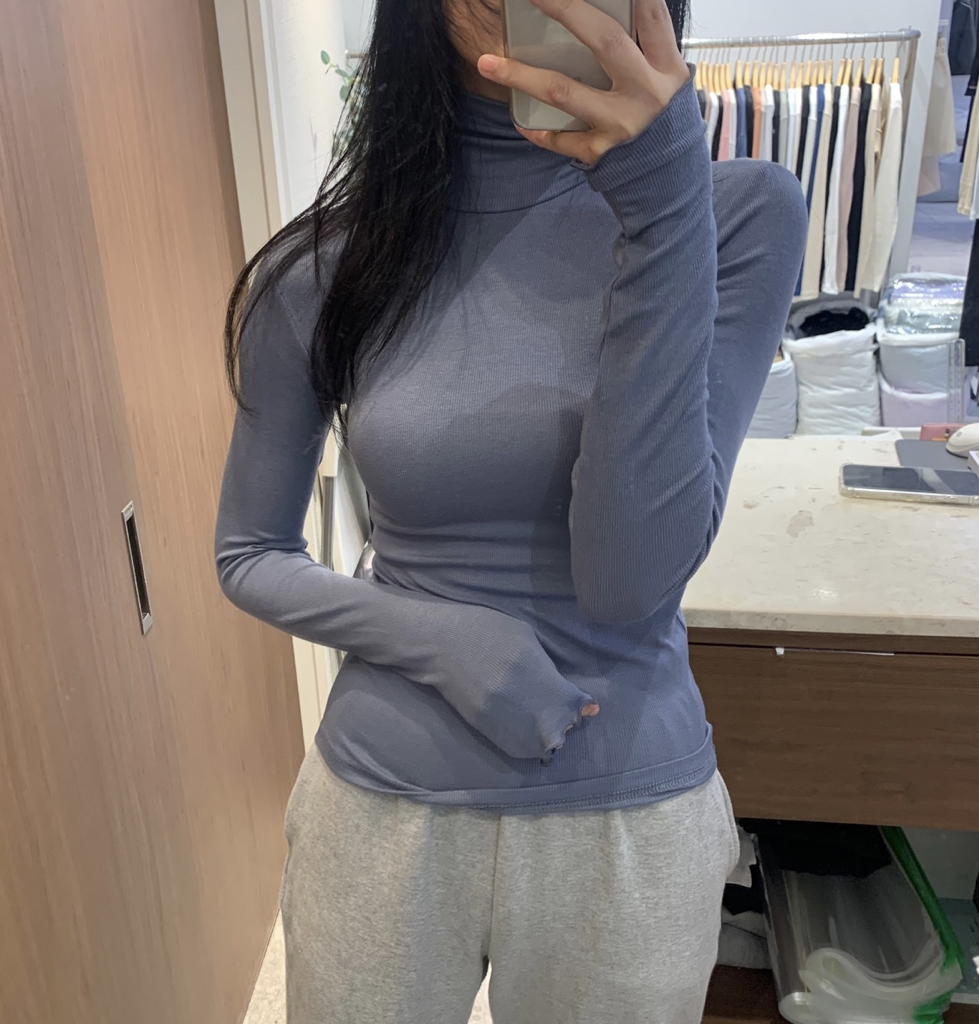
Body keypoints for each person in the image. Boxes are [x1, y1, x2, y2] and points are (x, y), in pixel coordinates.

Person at [215, 0, 807, 1021]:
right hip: (380, 809)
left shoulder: (733, 210)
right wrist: (442, 638)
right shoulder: (327, 266)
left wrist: (662, 202)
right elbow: (248, 552)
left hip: (625, 822)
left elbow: (629, 578)